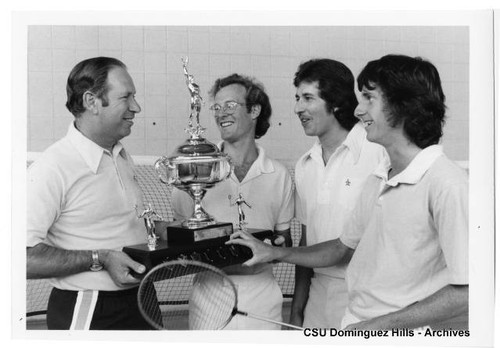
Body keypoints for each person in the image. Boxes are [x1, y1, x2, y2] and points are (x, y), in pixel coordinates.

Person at [228, 54, 469, 330]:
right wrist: (273, 253)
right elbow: (341, 247)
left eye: (369, 98)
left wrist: (375, 326)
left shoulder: (448, 183)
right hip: (351, 321)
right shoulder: (380, 178)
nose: (358, 110)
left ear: (402, 106)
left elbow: (469, 290)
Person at [26, 57, 153, 330]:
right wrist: (101, 258)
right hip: (90, 307)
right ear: (91, 101)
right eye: (126, 97)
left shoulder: (120, 155)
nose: (136, 107)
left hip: (143, 301)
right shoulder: (52, 167)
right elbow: (18, 257)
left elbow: (119, 225)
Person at [172, 73, 294, 329]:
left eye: (230, 105)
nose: (220, 113)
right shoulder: (195, 170)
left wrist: (271, 249)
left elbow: (285, 243)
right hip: (209, 303)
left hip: (264, 303)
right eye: (216, 107)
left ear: (254, 110)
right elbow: (181, 242)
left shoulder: (279, 175)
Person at [290, 59, 387, 329]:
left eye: (308, 98)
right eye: (297, 98)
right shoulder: (304, 165)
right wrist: (298, 309)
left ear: (334, 102)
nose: (298, 108)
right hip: (318, 302)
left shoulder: (378, 152)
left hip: (369, 301)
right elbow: (306, 242)